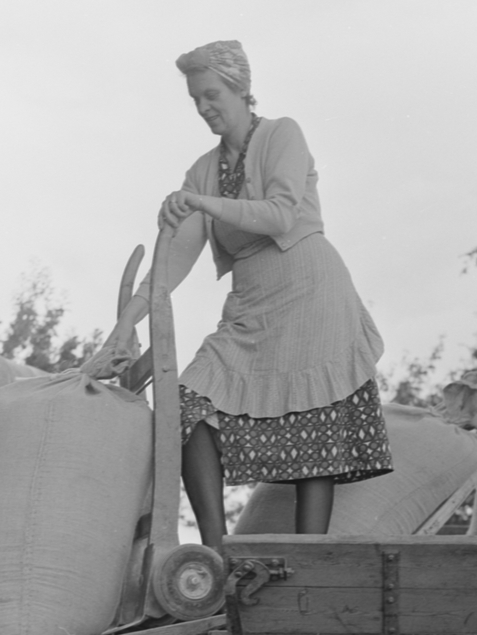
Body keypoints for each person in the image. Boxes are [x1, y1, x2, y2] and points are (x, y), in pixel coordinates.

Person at [90, 40, 392, 545]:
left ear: (242, 89)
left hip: (311, 288)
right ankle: (215, 552)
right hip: (252, 305)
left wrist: (200, 203)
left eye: (212, 95)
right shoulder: (202, 171)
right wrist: (124, 326)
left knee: (313, 430)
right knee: (186, 405)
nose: (205, 108)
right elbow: (169, 267)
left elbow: (279, 213)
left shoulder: (281, 135)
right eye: (195, 100)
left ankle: (306, 562)